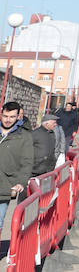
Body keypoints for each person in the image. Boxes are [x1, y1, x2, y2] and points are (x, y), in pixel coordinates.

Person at [0, 101, 35, 247]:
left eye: (12, 117)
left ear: (18, 117)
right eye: (5, 116)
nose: (8, 119)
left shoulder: (24, 136)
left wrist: (21, 181)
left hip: (5, 185)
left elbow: (27, 162)